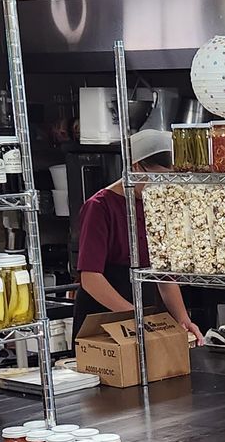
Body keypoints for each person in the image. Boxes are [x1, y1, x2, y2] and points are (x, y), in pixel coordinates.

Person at [75, 128, 204, 345]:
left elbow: (163, 274)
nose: (163, 185)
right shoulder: (99, 207)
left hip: (144, 308)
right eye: (158, 177)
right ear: (135, 167)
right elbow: (91, 278)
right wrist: (134, 315)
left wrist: (183, 320)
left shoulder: (158, 205)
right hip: (102, 313)